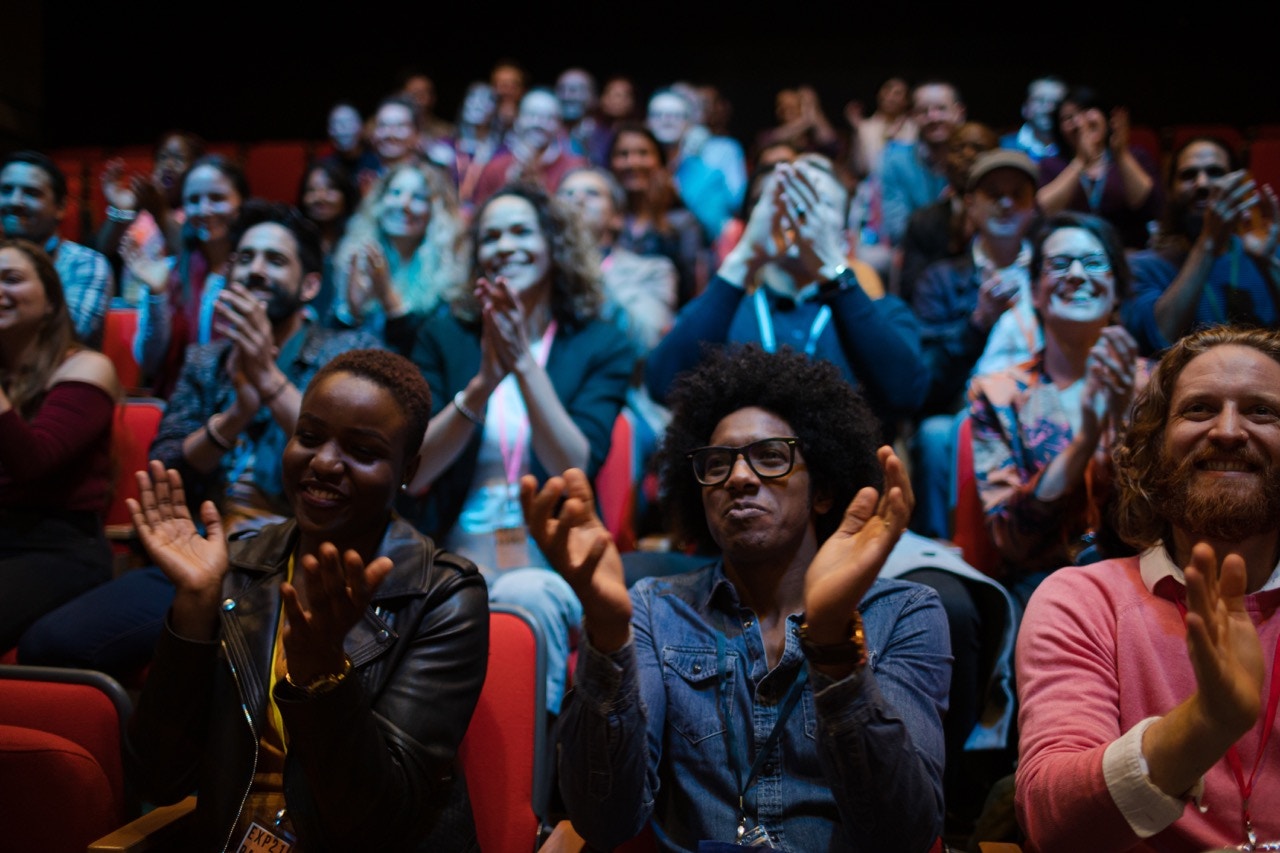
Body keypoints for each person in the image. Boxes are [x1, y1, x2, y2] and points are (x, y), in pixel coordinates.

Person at [524, 344, 948, 851]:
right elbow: (605, 818)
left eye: (770, 457)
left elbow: (905, 833)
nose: (739, 478)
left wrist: (834, 643)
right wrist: (606, 631)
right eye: (718, 463)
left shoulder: (904, 613)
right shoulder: (655, 610)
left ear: (823, 491)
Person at [123, 348, 489, 851]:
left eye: (361, 451)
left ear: (408, 468)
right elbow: (158, 777)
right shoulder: (240, 566)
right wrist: (194, 605)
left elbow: (376, 822)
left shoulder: (443, 596)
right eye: (309, 437)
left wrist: (323, 677)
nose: (322, 462)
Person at [19, 202, 381, 676]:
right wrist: (234, 416)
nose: (255, 271)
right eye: (245, 258)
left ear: (310, 285)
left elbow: (348, 459)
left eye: (274, 260)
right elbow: (165, 466)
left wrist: (268, 381)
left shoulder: (344, 359)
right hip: (201, 552)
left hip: (299, 564)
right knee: (50, 644)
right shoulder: (206, 360)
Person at [1016, 325, 1280, 851]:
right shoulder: (1082, 600)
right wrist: (1204, 725)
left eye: (1262, 412)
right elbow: (1052, 824)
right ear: (1155, 449)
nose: (1228, 431)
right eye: (1199, 409)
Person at [402, 183, 633, 714]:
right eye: (492, 236)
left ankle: (527, 777)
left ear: (553, 245)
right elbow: (414, 474)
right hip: (452, 557)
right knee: (434, 596)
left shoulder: (598, 343)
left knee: (527, 595)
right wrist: (483, 381)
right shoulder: (445, 335)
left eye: (521, 231)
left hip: (553, 563)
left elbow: (574, 464)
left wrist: (523, 363)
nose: (506, 246)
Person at [646, 155, 928, 442]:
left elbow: (906, 396)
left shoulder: (880, 312)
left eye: (817, 203)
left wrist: (832, 268)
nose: (796, 214)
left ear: (844, 234)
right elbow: (662, 385)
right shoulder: (724, 311)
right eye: (780, 203)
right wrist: (743, 259)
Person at [968, 212, 1144, 608]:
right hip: (1044, 588)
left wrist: (1122, 423)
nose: (1077, 275)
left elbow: (1170, 512)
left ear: (1115, 289)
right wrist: (1083, 442)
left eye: (1095, 262)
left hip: (1145, 579)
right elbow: (1010, 539)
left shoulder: (1160, 385)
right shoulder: (998, 394)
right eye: (1060, 264)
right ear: (1035, 291)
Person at [910, 149, 1042, 540]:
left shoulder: (1052, 272)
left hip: (1044, 399)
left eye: (1017, 194)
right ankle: (940, 556)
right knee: (934, 435)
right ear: (970, 204)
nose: (1005, 203)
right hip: (967, 407)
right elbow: (927, 381)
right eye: (993, 194)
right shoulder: (941, 280)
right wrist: (978, 321)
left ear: (1033, 206)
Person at [0, 238, 120, 650]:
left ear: (51, 302)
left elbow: (34, 461)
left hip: (58, 548)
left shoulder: (87, 366)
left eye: (11, 279)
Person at [1123, 136, 1280, 354]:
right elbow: (1160, 338)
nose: (1202, 183)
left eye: (1215, 172)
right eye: (1189, 175)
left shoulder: (1266, 255)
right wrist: (1208, 241)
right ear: (1171, 190)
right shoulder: (1145, 267)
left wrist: (1269, 265)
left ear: (1238, 185)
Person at [125, 154, 247, 397]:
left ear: (241, 202)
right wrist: (157, 296)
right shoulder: (168, 270)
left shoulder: (255, 271)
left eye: (217, 198)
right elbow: (149, 363)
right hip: (180, 405)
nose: (204, 210)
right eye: (193, 200)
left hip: (240, 401)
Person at [331, 161, 467, 348]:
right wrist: (353, 311)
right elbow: (332, 343)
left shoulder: (449, 272)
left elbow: (431, 350)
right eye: (395, 193)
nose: (404, 204)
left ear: (436, 210)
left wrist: (387, 297)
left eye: (419, 197)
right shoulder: (353, 258)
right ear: (379, 202)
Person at [556, 165, 677, 356]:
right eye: (567, 193)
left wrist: (586, 269)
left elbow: (649, 342)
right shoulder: (542, 271)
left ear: (617, 217)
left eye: (592, 193)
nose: (577, 199)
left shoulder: (652, 270)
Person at [0, 151, 113, 348]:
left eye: (31, 193)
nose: (15, 201)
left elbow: (69, 336)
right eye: (6, 190)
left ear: (60, 207)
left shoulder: (85, 263)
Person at [1036, 86, 1162, 250]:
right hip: (1072, 253)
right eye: (1068, 118)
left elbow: (1145, 203)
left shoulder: (1135, 156)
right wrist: (1081, 161)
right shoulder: (1051, 165)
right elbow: (1045, 210)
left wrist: (1121, 154)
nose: (1079, 122)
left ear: (1105, 117)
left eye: (1087, 111)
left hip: (1130, 253)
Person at [97, 130, 205, 302]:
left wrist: (159, 211)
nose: (168, 165)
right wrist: (122, 209)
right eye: (162, 158)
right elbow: (103, 248)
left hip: (174, 309)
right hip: (133, 307)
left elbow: (190, 254)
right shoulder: (142, 209)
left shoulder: (199, 210)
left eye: (178, 158)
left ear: (195, 167)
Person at [899, 121, 1000, 303]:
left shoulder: (1010, 217)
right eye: (958, 149)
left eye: (979, 148)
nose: (968, 156)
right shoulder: (923, 221)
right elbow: (911, 290)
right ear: (944, 160)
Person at [607, 123, 705, 305]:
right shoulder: (603, 220)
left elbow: (692, 288)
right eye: (623, 154)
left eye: (643, 153)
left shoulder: (681, 222)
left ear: (660, 161)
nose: (632, 162)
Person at [647, 86, 747, 244]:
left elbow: (717, 225)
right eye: (658, 115)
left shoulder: (708, 175)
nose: (666, 120)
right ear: (647, 121)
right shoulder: (636, 168)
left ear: (689, 123)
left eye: (675, 115)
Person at [879, 81, 966, 246]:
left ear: (959, 112)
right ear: (912, 117)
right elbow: (898, 228)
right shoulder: (895, 160)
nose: (933, 117)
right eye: (923, 111)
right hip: (918, 253)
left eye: (941, 109)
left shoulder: (974, 157)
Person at [471, 88, 588, 209]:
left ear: (559, 124)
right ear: (517, 120)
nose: (538, 124)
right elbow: (482, 213)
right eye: (531, 115)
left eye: (548, 118)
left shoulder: (575, 166)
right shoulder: (495, 167)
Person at [297, 160, 360, 323]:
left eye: (330, 188)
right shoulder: (295, 242)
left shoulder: (360, 240)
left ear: (346, 194)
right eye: (311, 190)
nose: (320, 197)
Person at [846, 75, 916, 181]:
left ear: (906, 101)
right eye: (887, 90)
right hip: (876, 187)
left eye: (897, 93)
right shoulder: (865, 127)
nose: (890, 97)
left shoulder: (914, 127)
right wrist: (857, 132)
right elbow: (862, 167)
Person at [999, 76, 1067, 163]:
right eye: (1041, 100)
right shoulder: (1003, 146)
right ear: (1025, 107)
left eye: (1057, 103)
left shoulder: (1074, 148)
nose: (1049, 108)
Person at [555, 67, 613, 166]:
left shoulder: (607, 137)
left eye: (575, 90)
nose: (567, 96)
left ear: (594, 97)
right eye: (562, 89)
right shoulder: (548, 134)